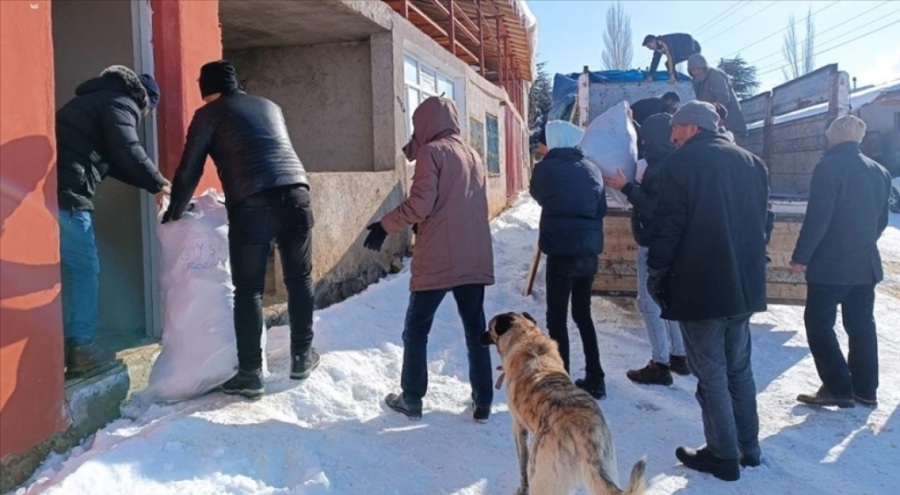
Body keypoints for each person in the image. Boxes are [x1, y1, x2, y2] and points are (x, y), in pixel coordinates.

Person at [162, 60, 316, 399]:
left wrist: (174, 211)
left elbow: (190, 169)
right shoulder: (269, 106)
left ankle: (249, 374)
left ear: (207, 89)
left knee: (249, 290)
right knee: (299, 278)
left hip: (252, 202)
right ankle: (302, 356)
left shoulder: (209, 114)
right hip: (297, 193)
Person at [648, 101, 769, 481]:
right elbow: (764, 223)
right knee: (739, 370)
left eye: (677, 128)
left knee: (712, 374)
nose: (672, 135)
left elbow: (668, 229)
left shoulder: (680, 165)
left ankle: (722, 455)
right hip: (743, 286)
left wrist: (657, 272)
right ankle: (749, 448)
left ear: (694, 128)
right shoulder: (753, 163)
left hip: (700, 286)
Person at [364, 96, 495, 422]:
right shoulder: (473, 154)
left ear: (426, 123)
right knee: (475, 329)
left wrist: (384, 224)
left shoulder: (432, 152)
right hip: (473, 256)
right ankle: (483, 402)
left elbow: (420, 205)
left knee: (417, 329)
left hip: (438, 256)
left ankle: (411, 398)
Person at [56, 65, 170, 374]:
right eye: (146, 112)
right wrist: (159, 183)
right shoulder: (123, 102)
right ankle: (81, 349)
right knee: (85, 268)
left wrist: (152, 184)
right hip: (68, 195)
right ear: (145, 101)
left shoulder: (95, 99)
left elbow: (114, 160)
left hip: (54, 189)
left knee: (69, 268)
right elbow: (128, 148)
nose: (142, 116)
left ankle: (69, 345)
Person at [791, 115, 891, 409]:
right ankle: (865, 389)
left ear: (832, 137)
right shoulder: (880, 171)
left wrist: (801, 256)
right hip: (865, 263)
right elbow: (881, 222)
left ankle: (837, 386)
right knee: (861, 325)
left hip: (830, 266)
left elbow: (818, 218)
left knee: (818, 323)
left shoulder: (828, 167)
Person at [603, 113, 689, 386]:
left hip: (654, 244)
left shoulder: (652, 167)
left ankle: (660, 364)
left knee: (648, 303)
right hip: (674, 243)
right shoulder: (679, 162)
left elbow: (653, 208)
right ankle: (679, 356)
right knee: (669, 300)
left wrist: (626, 187)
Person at [529, 120, 608, 399]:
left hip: (561, 252)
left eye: (543, 142)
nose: (540, 147)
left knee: (557, 318)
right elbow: (602, 208)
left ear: (554, 141)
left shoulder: (546, 169)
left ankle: (560, 381)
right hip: (588, 253)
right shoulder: (592, 168)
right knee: (583, 315)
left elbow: (536, 194)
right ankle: (596, 378)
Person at [688, 54, 747, 134]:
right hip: (713, 124)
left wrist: (719, 116)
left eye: (698, 69)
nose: (696, 72)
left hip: (728, 122)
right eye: (693, 70)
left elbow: (723, 97)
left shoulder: (715, 75)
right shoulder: (696, 82)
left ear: (704, 67)